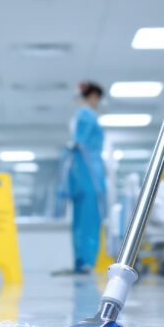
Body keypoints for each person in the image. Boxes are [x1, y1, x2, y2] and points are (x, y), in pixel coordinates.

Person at [60, 81, 107, 274]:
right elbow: (82, 144)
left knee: (79, 221)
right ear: (93, 96)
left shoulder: (79, 117)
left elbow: (77, 144)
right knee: (90, 220)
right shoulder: (87, 115)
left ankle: (80, 262)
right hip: (90, 177)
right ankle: (87, 262)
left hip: (79, 178)